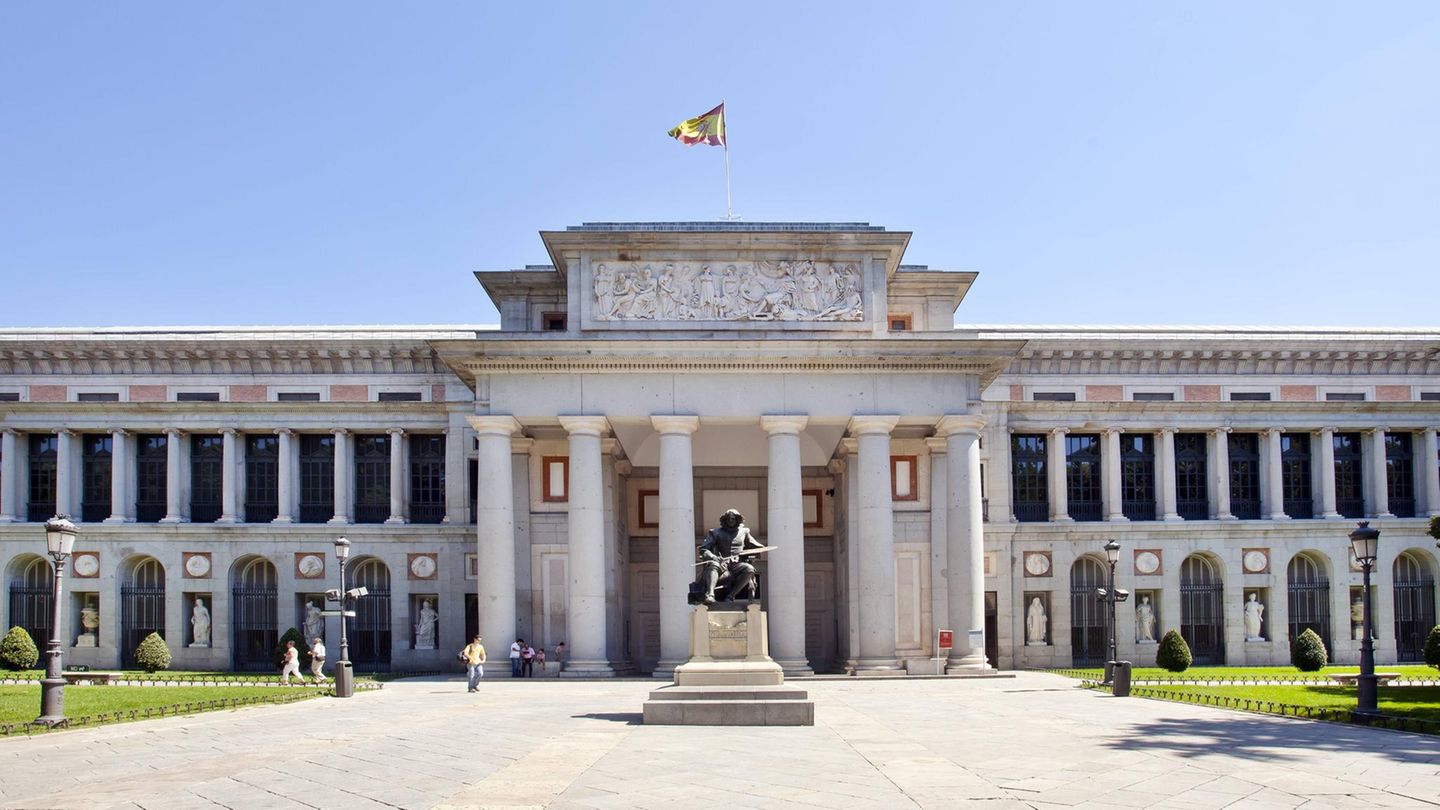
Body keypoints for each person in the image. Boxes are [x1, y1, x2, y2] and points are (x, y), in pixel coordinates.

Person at [695, 509, 767, 604]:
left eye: (733, 518)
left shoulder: (744, 532)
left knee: (749, 569)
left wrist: (758, 551)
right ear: (725, 520)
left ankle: (731, 596)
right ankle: (710, 595)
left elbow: (757, 546)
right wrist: (712, 556)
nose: (731, 520)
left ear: (737, 519)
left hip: (738, 565)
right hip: (721, 564)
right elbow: (704, 549)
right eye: (729, 519)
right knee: (713, 565)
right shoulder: (715, 532)